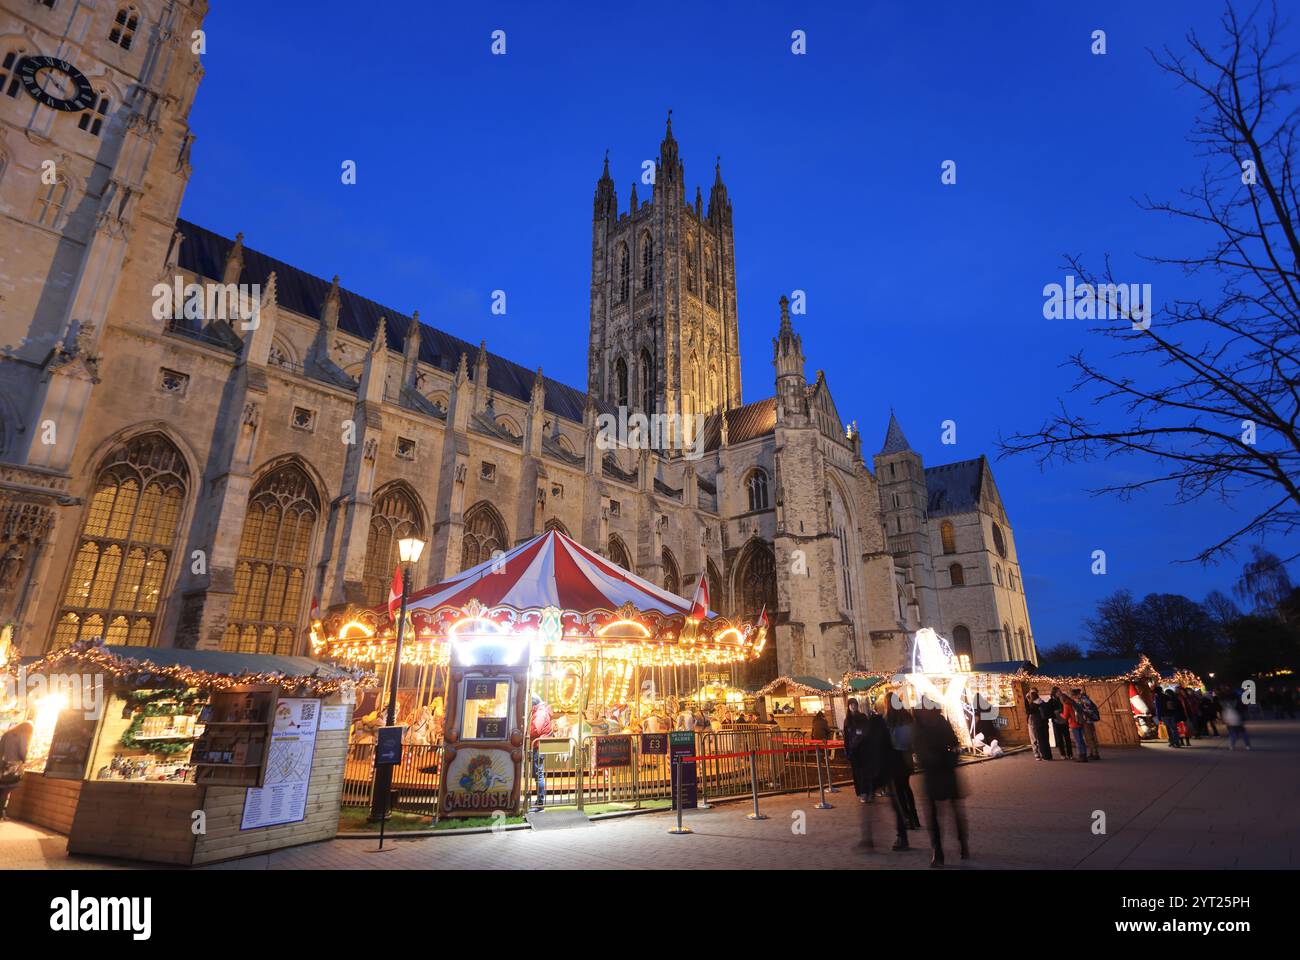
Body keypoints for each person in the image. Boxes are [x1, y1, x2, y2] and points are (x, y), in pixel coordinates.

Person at [842, 698, 909, 851]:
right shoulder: (879, 724)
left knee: (876, 805)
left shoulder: (875, 724)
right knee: (885, 804)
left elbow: (873, 748)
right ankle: (894, 835)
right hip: (884, 769)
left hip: (879, 770)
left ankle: (871, 839)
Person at [912, 707, 968, 867]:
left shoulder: (919, 725)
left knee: (935, 815)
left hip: (934, 771)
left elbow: (917, 748)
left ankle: (939, 851)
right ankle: (961, 844)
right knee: (952, 809)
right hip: (944, 770)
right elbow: (954, 742)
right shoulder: (940, 721)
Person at [883, 697, 921, 830]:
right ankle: (914, 816)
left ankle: (906, 817)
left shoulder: (889, 719)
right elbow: (913, 737)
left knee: (899, 789)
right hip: (907, 757)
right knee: (906, 786)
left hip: (895, 757)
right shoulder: (907, 717)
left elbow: (888, 740)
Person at [0, 720, 33, 820]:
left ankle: (1, 812)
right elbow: (23, 753)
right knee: (6, 790)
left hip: (2, 766)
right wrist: (24, 761)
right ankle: (0, 813)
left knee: (2, 789)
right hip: (13, 768)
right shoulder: (22, 737)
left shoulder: (7, 734)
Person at [1062, 689, 1088, 762]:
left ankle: (1080, 756)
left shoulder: (1066, 704)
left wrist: (1060, 714)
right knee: (1081, 739)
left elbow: (1065, 716)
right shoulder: (1073, 702)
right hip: (1079, 722)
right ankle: (1084, 754)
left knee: (1078, 740)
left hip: (1073, 724)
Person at [1076, 688, 1102, 760]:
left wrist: (1081, 713)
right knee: (1088, 737)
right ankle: (1092, 752)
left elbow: (1087, 710)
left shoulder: (1083, 699)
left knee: (1090, 737)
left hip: (1087, 721)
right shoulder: (1082, 699)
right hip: (1086, 721)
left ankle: (1095, 753)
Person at [1027, 689, 1053, 761]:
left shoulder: (1033, 705)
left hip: (1038, 724)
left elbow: (1028, 711)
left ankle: (1044, 756)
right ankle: (1049, 755)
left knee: (1041, 740)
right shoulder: (1042, 702)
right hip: (1045, 723)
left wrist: (1028, 700)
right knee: (1046, 739)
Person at [1048, 687, 1072, 759]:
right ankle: (1062, 754)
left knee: (1067, 738)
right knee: (1059, 739)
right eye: (1058, 692)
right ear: (1055, 693)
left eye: (1060, 691)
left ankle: (1070, 754)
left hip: (1064, 720)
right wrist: (1054, 714)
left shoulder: (1062, 699)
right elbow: (1050, 711)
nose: (1060, 693)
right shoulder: (1051, 701)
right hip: (1056, 721)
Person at [1023, 688, 1044, 759]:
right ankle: (1037, 752)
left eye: (1032, 693)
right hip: (1031, 720)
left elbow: (1028, 711)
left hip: (1035, 721)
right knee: (1033, 737)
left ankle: (1039, 752)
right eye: (1030, 693)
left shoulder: (1036, 702)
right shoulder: (1032, 701)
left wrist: (1026, 701)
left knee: (1036, 737)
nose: (1030, 695)